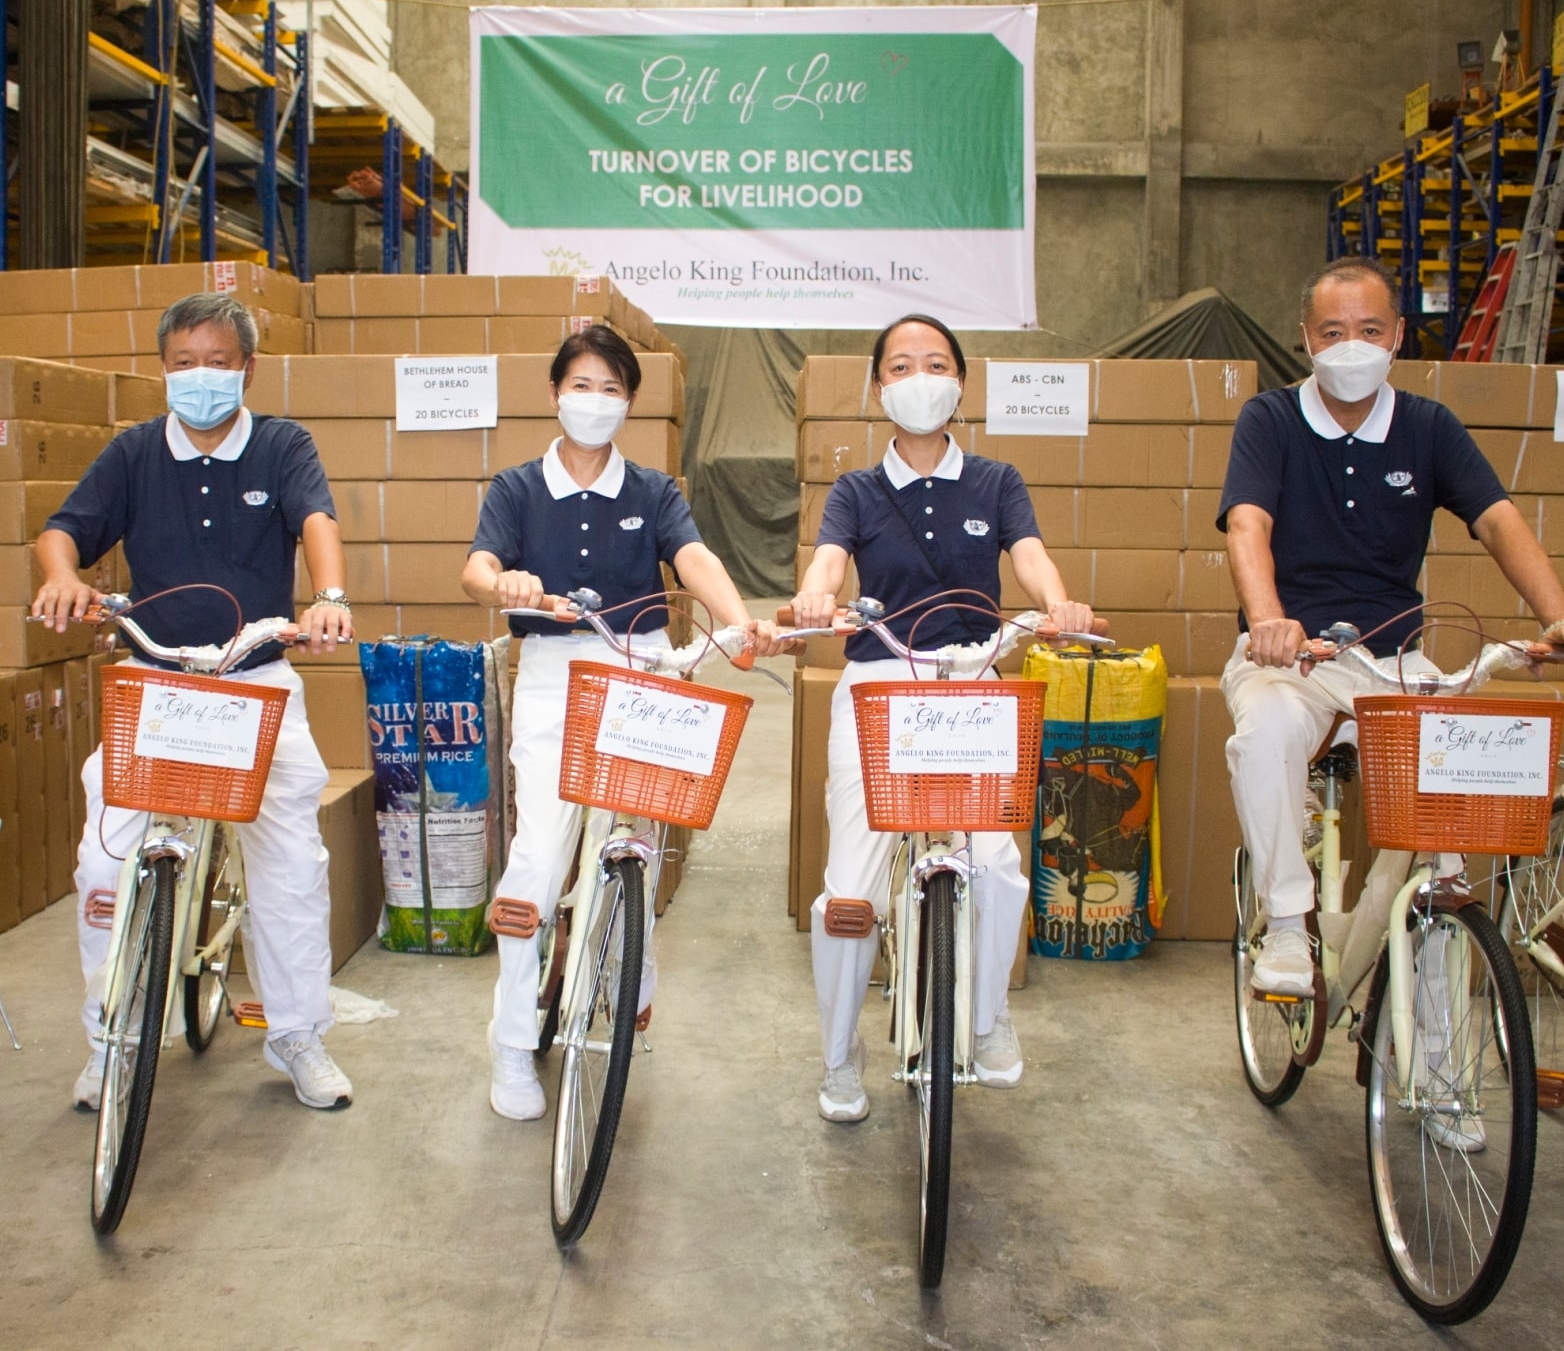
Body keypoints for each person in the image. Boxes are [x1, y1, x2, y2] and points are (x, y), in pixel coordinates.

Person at [1219, 256, 1564, 1000]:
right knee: (1265, 731)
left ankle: (1437, 1068)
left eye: (1369, 329)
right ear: (1306, 338)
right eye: (1333, 331)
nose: (1351, 346)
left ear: (1399, 335)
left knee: (1445, 849)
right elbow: (1248, 524)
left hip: (1392, 664)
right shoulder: (1269, 419)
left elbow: (1497, 522)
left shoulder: (1428, 428)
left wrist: (1556, 615)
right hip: (1291, 658)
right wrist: (1269, 619)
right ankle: (1283, 923)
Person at [32, 291, 357, 1112]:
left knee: (290, 861)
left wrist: (329, 594)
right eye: (183, 364)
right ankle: (111, 1037)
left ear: (247, 367)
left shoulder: (283, 444)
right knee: (106, 855)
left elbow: (315, 516)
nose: (200, 378)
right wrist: (63, 576)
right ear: (163, 370)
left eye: (218, 362)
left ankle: (295, 1035)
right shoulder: (135, 452)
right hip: (161, 683)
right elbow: (64, 529)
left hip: (256, 679)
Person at [789, 314, 1096, 1123]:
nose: (918, 376)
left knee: (995, 865)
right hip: (881, 679)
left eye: (934, 362)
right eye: (900, 364)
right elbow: (827, 559)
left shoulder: (996, 481)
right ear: (880, 386)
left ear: (961, 381)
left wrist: (1054, 602)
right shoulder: (855, 489)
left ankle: (988, 1014)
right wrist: (820, 591)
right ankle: (840, 1054)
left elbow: (1027, 555)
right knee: (849, 891)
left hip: (972, 677)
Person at [462, 324, 772, 1122]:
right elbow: (478, 566)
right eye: (580, 385)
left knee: (633, 834)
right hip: (557, 671)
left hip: (640, 666)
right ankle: (510, 1040)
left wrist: (735, 622)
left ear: (629, 401)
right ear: (555, 392)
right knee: (539, 853)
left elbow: (693, 557)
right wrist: (506, 584)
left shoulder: (652, 491)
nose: (593, 401)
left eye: (610, 388)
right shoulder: (517, 488)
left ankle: (627, 975)